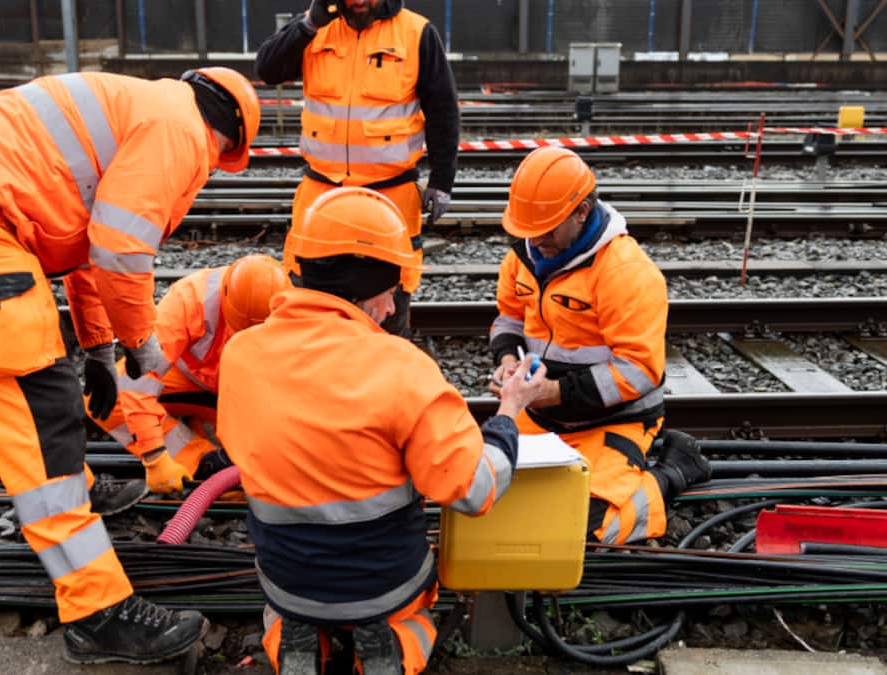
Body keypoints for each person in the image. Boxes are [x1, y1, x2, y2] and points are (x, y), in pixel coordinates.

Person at [0, 68, 260, 666]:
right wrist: (140, 344)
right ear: (228, 141)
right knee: (39, 413)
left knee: (48, 382)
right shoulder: (182, 132)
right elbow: (120, 248)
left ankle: (83, 491)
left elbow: (86, 252)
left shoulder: (143, 109)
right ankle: (96, 611)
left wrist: (101, 351)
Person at [217, 187, 549, 675]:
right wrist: (508, 411)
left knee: (290, 606)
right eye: (391, 292)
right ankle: (393, 641)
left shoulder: (240, 355)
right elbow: (474, 491)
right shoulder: (402, 368)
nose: (393, 309)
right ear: (368, 289)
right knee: (409, 616)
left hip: (286, 581)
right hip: (383, 582)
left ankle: (297, 638)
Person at [487, 146, 711, 545]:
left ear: (582, 212)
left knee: (588, 527)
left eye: (548, 230)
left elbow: (639, 370)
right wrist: (507, 361)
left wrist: (552, 392)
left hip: (610, 421)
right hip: (540, 415)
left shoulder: (625, 272)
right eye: (528, 230)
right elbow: (509, 318)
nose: (537, 242)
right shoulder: (522, 255)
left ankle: (672, 472)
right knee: (487, 494)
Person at [255, 0, 460, 337]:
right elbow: (267, 69)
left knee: (389, 313)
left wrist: (442, 180)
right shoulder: (316, 29)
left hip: (389, 196)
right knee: (309, 306)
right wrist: (307, 24)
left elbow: (443, 110)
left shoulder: (417, 33)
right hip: (323, 195)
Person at [72, 254, 291, 494]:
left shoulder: (296, 309)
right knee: (110, 398)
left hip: (244, 393)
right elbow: (141, 380)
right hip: (188, 382)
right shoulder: (189, 300)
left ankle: (215, 433)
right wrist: (154, 456)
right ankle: (201, 459)